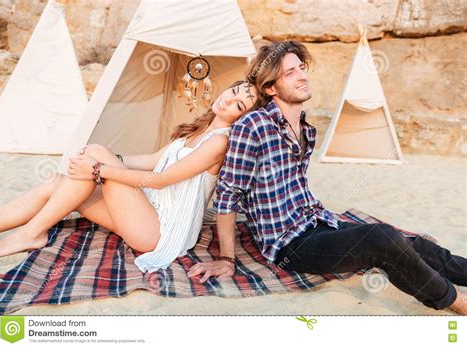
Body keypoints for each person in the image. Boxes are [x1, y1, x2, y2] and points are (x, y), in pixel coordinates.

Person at [187, 41, 467, 314]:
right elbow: (228, 194)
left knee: (411, 243)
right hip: (289, 245)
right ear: (271, 88)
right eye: (290, 73)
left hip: (316, 221)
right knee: (382, 237)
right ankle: (455, 301)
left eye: (301, 68)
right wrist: (226, 258)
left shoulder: (307, 129)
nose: (302, 76)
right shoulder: (253, 125)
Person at [0, 80, 261, 273]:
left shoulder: (219, 142)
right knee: (58, 182)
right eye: (233, 91)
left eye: (238, 105)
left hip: (160, 231)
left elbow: (161, 179)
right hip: (146, 210)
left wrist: (99, 168)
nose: (228, 100)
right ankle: (25, 232)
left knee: (96, 156)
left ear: (242, 119)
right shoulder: (200, 129)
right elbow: (152, 161)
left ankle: (29, 233)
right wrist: (110, 158)